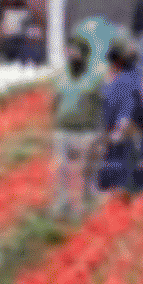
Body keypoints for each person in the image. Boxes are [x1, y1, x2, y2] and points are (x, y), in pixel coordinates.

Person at [49, 33, 104, 219]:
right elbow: (55, 101)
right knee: (61, 169)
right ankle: (62, 204)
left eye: (75, 50)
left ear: (84, 53)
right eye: (69, 50)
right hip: (63, 130)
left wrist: (101, 132)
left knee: (84, 172)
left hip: (87, 131)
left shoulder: (95, 77)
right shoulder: (61, 76)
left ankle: (84, 205)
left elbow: (102, 104)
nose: (71, 53)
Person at [97, 38, 143, 198]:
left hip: (125, 135)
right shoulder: (126, 79)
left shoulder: (125, 81)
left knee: (126, 178)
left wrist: (118, 130)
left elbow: (128, 108)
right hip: (125, 133)